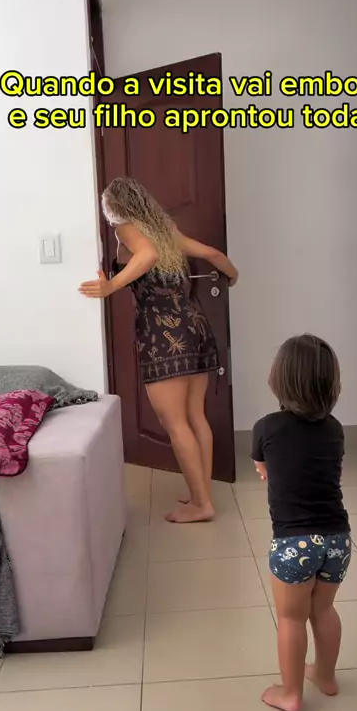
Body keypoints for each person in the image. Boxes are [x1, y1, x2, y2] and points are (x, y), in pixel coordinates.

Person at [79, 177, 238, 524]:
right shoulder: (166, 231)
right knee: (196, 417)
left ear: (113, 206)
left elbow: (148, 256)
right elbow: (214, 255)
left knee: (176, 422)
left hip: (163, 335)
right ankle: (201, 494)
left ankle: (201, 505)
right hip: (195, 327)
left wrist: (110, 287)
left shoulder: (126, 229)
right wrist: (233, 275)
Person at [252, 334, 350, 711]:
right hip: (338, 539)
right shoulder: (335, 429)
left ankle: (290, 693)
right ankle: (325, 676)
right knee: (323, 610)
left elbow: (263, 469)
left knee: (291, 617)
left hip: (294, 542)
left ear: (279, 379)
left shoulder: (266, 427)